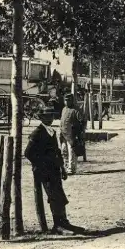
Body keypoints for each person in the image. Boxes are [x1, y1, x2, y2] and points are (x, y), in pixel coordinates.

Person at [24, 107, 86, 235]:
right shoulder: (38, 133)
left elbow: (57, 152)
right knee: (54, 197)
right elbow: (28, 153)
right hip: (45, 172)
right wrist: (42, 164)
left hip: (55, 170)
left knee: (60, 196)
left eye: (52, 116)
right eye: (47, 116)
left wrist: (62, 168)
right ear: (41, 118)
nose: (50, 118)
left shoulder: (51, 131)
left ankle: (64, 222)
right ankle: (58, 225)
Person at [60, 93, 85, 174]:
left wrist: (79, 133)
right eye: (65, 100)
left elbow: (82, 122)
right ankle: (66, 167)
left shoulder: (76, 110)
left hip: (72, 135)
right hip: (63, 134)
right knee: (64, 151)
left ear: (72, 101)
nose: (66, 102)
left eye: (68, 100)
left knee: (72, 152)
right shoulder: (64, 109)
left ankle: (72, 168)